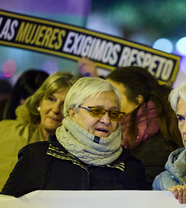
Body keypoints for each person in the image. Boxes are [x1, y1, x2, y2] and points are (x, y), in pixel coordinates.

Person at [1, 77, 150, 197]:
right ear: (73, 113)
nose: (106, 120)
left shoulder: (132, 167)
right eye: (96, 111)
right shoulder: (36, 157)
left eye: (113, 113)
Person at [106, 66, 183, 187]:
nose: (107, 101)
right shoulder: (129, 135)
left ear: (137, 101)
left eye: (115, 96)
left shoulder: (156, 146)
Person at [0, 71, 76, 191]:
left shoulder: (79, 153)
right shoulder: (5, 131)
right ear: (40, 102)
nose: (55, 109)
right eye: (51, 99)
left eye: (64, 105)